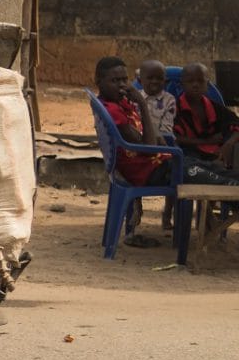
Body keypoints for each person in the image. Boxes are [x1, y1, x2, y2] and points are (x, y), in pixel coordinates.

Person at [95, 57, 239, 246]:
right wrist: (143, 104)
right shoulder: (114, 110)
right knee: (222, 182)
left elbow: (149, 136)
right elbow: (147, 146)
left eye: (124, 79)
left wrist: (158, 138)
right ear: (99, 81)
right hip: (150, 170)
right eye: (115, 81)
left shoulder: (118, 103)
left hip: (161, 162)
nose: (122, 85)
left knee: (216, 169)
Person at [135, 59, 177, 232]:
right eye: (150, 78)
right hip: (138, 145)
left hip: (163, 146)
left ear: (165, 80)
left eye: (159, 78)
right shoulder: (134, 99)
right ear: (140, 79)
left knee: (176, 171)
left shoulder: (169, 100)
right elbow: (133, 124)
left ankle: (168, 211)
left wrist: (155, 139)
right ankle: (137, 205)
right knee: (133, 167)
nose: (154, 82)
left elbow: (167, 129)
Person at [174, 62, 239, 168]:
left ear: (207, 84)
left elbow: (236, 123)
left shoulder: (215, 108)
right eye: (190, 81)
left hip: (219, 152)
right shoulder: (175, 108)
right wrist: (206, 141)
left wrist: (229, 144)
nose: (195, 85)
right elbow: (174, 137)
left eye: (200, 81)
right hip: (191, 154)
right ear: (182, 85)